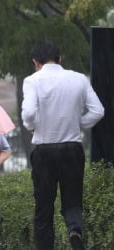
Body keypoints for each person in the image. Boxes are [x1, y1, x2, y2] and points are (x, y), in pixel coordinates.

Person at [21, 41, 104, 250]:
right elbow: (98, 111)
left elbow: (29, 113)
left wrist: (33, 127)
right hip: (72, 150)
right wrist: (78, 123)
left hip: (44, 152)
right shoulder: (79, 79)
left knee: (43, 208)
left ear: (35, 62)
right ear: (60, 58)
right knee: (73, 201)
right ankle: (75, 229)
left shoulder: (32, 81)